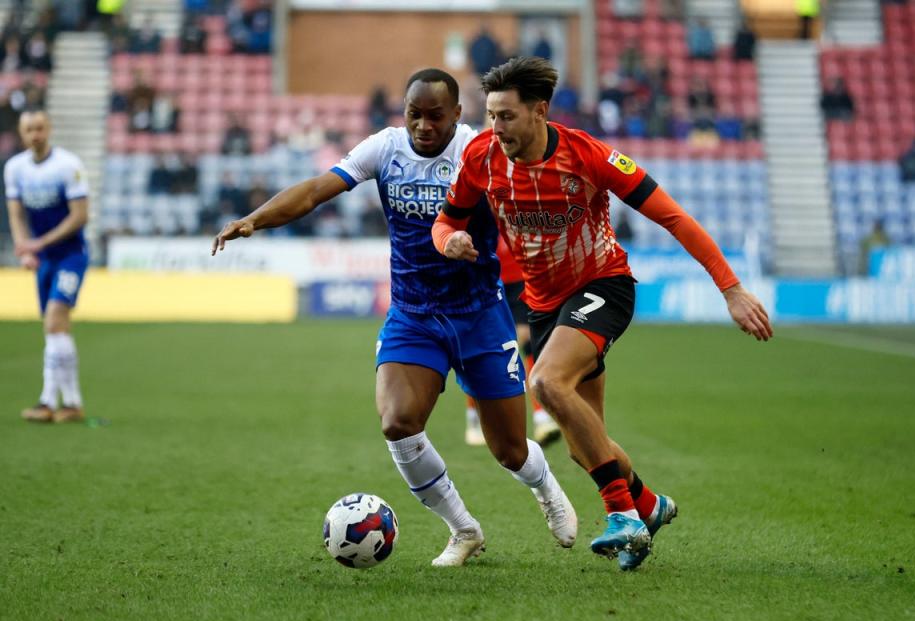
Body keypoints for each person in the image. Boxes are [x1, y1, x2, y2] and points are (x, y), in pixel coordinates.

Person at [212, 68, 577, 567]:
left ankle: (547, 489)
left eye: (434, 116)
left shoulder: (482, 149)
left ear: (456, 115)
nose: (423, 126)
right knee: (398, 423)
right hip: (414, 314)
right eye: (414, 114)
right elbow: (319, 189)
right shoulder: (385, 148)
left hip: (479, 314)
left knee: (510, 449)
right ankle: (463, 529)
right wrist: (257, 218)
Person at [434, 57, 772, 571]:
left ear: (539, 111)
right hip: (544, 303)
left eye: (506, 116)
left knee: (545, 382)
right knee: (583, 444)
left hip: (602, 285)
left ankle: (623, 516)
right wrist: (449, 240)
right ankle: (648, 504)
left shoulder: (587, 155)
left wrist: (731, 288)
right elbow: (446, 220)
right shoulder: (482, 157)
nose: (495, 127)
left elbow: (673, 217)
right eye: (491, 115)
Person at [5, 110, 89, 424]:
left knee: (54, 322)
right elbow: (16, 214)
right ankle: (72, 404)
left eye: (40, 128)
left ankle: (46, 402)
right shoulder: (15, 168)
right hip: (44, 260)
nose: (35, 134)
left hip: (71, 255)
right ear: (21, 133)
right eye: (29, 130)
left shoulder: (68, 166)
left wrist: (39, 243)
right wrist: (23, 247)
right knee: (57, 330)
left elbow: (80, 216)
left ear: (49, 129)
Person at [464, 235, 561, 448]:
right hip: (485, 279)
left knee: (527, 342)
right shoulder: (472, 204)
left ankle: (541, 418)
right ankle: (473, 418)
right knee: (483, 350)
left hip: (518, 278)